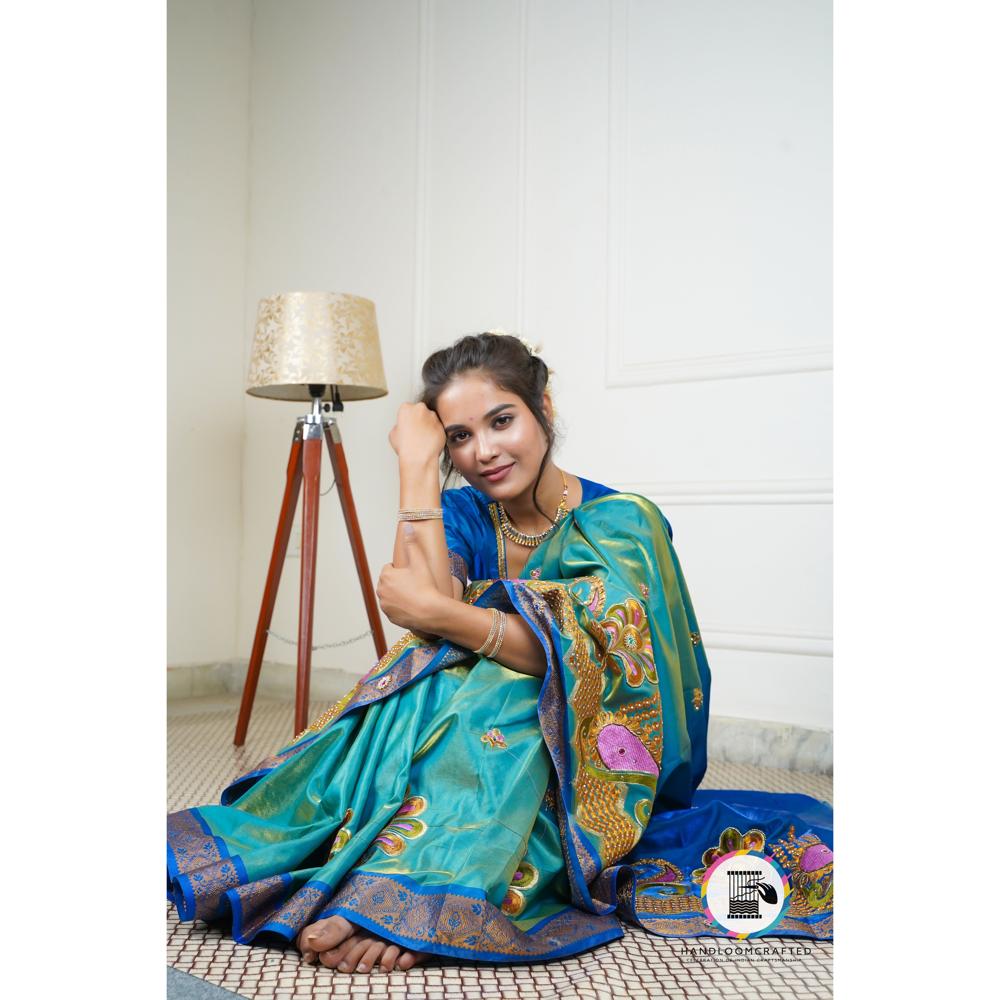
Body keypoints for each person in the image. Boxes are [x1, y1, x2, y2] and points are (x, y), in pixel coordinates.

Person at [167, 332, 833, 975]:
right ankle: (393, 872)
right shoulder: (462, 512)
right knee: (429, 678)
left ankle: (430, 892)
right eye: (458, 436)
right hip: (480, 735)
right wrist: (414, 470)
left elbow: (583, 668)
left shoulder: (623, 523)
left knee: (510, 683)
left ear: (544, 409)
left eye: (501, 420)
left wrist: (446, 613)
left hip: (597, 750)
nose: (483, 451)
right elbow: (423, 632)